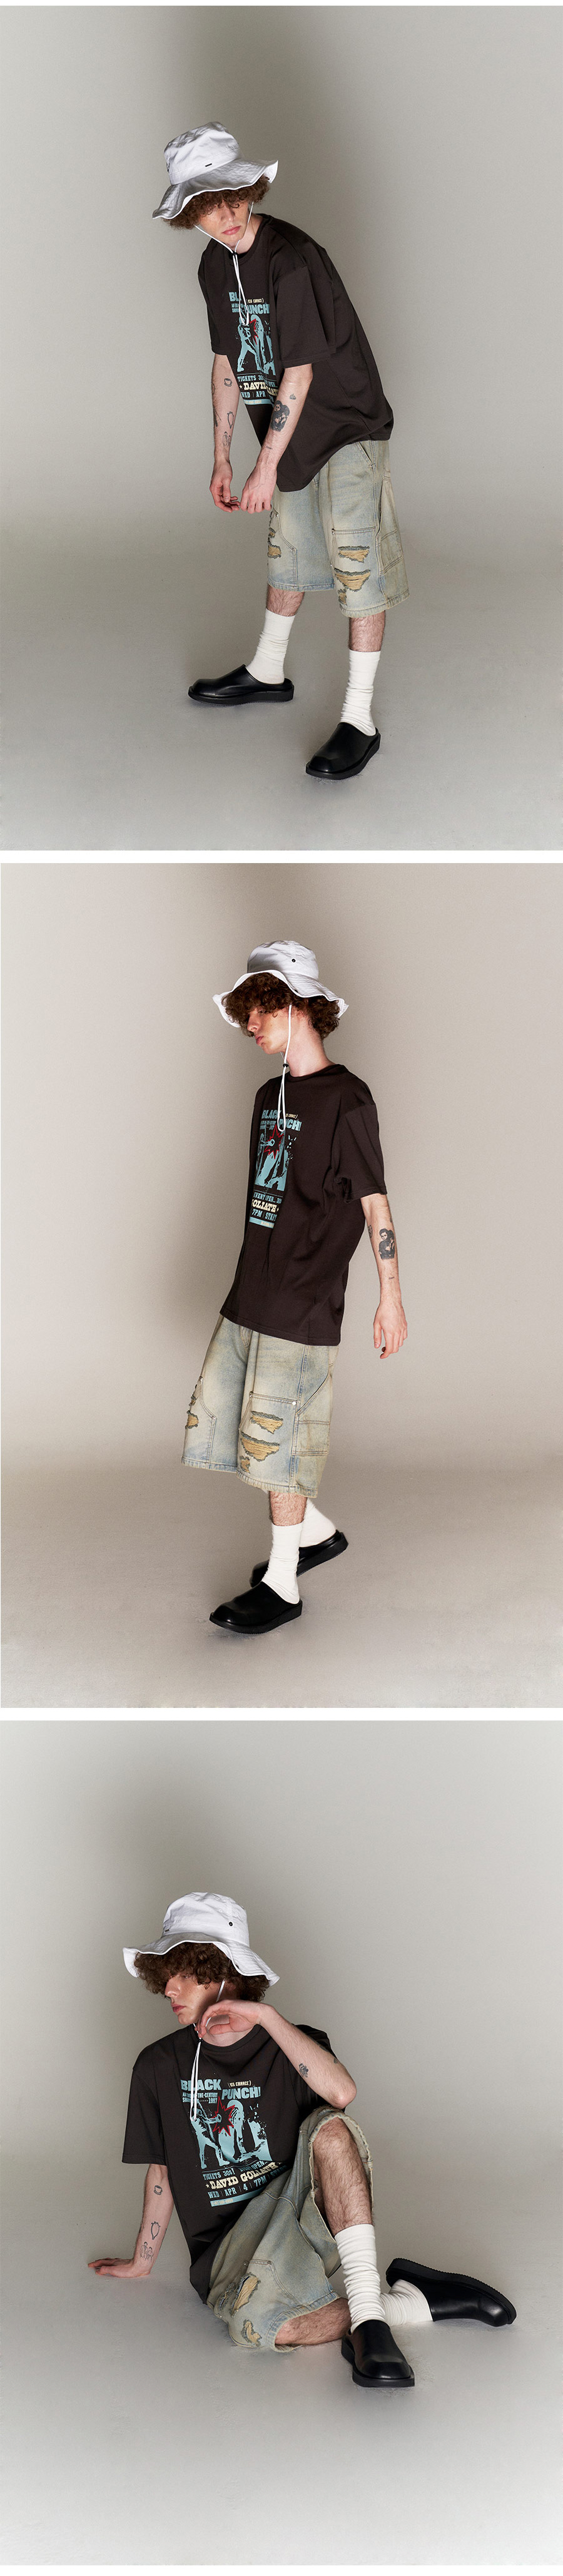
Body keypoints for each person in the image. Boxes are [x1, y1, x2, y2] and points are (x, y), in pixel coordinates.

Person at [89, 1890, 517, 2383]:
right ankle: (408, 2303)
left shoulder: (295, 2045)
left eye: (183, 1971)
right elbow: (162, 2170)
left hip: (299, 2217)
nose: (168, 1988)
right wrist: (141, 2262)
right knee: (258, 2328)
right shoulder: (157, 2066)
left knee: (331, 2128)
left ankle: (368, 2320)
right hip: (225, 2252)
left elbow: (342, 2094)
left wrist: (266, 2017)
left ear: (223, 1971)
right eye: (164, 1974)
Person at [153, 124, 409, 782]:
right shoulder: (215, 265)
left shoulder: (290, 259)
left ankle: (359, 718)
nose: (228, 213)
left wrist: (264, 467)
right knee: (287, 551)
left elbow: (300, 371)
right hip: (288, 431)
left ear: (250, 190)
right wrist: (221, 457)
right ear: (189, 215)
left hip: (346, 424)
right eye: (209, 204)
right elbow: (225, 361)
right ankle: (268, 671)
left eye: (234, 195)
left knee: (356, 564)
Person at [181, 936, 407, 1636]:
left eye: (261, 1008)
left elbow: (374, 1203)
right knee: (246, 1433)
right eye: (247, 1011)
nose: (250, 1024)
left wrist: (391, 1297)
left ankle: (283, 1585)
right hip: (253, 1292)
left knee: (280, 1441)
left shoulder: (349, 1099)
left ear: (297, 1006)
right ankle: (317, 1534)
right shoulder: (266, 1096)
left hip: (304, 1300)